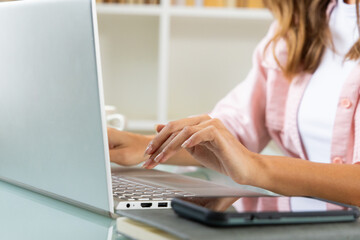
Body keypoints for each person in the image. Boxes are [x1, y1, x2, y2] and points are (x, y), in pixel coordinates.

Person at [108, 0, 360, 209]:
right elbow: (233, 130)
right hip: (294, 227)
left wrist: (257, 167)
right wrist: (142, 145)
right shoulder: (299, 25)